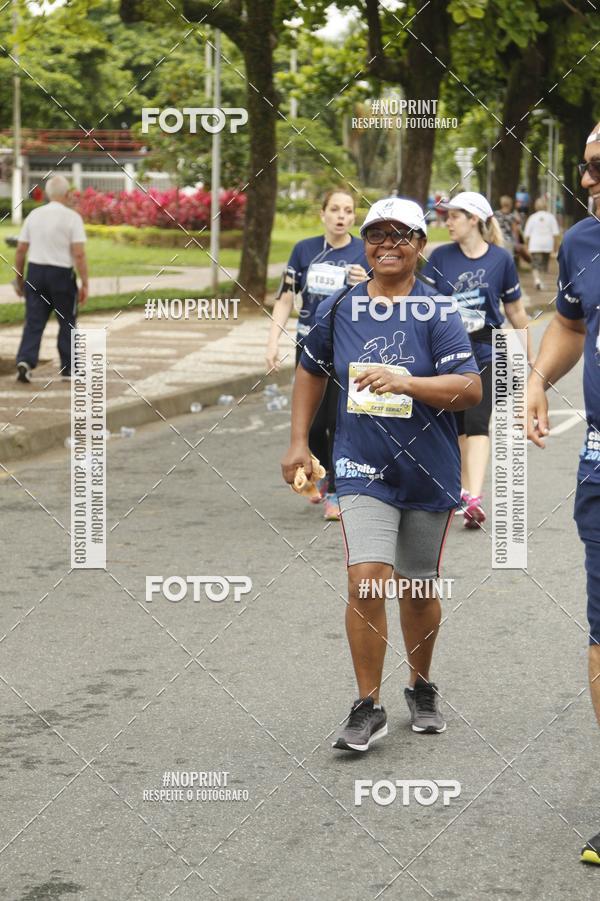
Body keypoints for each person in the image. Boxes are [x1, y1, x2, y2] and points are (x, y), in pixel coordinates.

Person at [281, 197, 482, 751]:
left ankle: (421, 685)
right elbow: (310, 369)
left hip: (428, 468)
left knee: (417, 587)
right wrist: (299, 441)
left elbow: (470, 388)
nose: (387, 245)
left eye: (401, 236)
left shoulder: (437, 310)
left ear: (420, 245)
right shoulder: (341, 306)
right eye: (377, 235)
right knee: (365, 575)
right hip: (361, 463)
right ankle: (368, 705)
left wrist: (407, 381)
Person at [527, 122, 600, 867]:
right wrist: (540, 379)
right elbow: (571, 321)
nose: (586, 180)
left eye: (599, 166)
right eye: (585, 167)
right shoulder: (583, 241)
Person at [424, 191, 532, 527]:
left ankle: (473, 497)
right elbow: (424, 305)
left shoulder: (500, 259)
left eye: (454, 216)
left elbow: (514, 310)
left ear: (474, 219)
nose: (447, 222)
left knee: (476, 419)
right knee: (457, 423)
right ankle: (462, 490)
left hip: (489, 348)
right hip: (448, 349)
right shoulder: (439, 257)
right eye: (446, 216)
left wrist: (534, 361)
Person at [266, 189, 369, 520]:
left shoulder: (362, 252)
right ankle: (321, 471)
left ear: (354, 218)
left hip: (346, 347)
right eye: (335, 209)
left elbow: (381, 299)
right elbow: (285, 298)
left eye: (348, 211)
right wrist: (273, 341)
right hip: (308, 343)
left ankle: (338, 491)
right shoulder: (304, 250)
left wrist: (366, 281)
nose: (341, 216)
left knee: (338, 421)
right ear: (322, 214)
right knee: (310, 424)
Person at [15, 174, 88, 383]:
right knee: (67, 320)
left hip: (36, 272)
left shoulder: (34, 216)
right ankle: (70, 368)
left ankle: (26, 361)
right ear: (67, 194)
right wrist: (85, 282)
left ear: (48, 194)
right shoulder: (72, 217)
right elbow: (79, 254)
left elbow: (21, 250)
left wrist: (19, 278)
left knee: (34, 321)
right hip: (61, 275)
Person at [523, 198, 560, 290]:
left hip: (535, 244)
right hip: (547, 244)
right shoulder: (551, 217)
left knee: (535, 264)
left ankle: (537, 280)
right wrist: (556, 247)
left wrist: (526, 245)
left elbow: (527, 234)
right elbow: (555, 234)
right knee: (544, 265)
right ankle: (542, 282)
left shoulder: (532, 217)